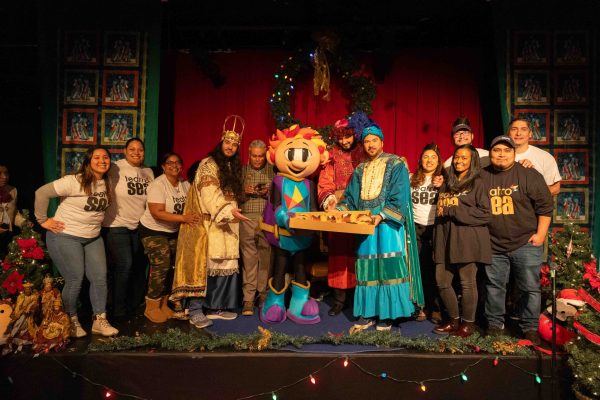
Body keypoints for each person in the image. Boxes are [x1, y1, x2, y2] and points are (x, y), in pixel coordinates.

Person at [337, 123, 424, 332]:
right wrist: (339, 209)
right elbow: (350, 198)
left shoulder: (396, 164)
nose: (370, 145)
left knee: (388, 266)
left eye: (374, 140)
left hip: (387, 225)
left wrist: (382, 215)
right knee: (367, 267)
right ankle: (368, 313)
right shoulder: (360, 169)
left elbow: (400, 194)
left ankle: (388, 314)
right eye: (367, 141)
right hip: (365, 225)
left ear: (382, 142)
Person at [171, 115, 249, 329]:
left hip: (227, 223)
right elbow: (210, 194)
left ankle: (215, 307)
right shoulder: (208, 164)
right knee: (203, 267)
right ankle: (195, 310)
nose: (230, 147)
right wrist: (228, 211)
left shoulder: (231, 167)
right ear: (221, 142)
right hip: (208, 225)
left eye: (235, 144)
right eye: (227, 142)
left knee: (223, 265)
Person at [34, 146, 118, 337]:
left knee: (99, 278)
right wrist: (42, 220)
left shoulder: (108, 181)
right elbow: (41, 193)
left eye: (106, 157)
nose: (102, 161)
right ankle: (70, 320)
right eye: (97, 157)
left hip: (93, 236)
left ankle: (99, 320)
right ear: (88, 161)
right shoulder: (74, 180)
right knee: (75, 279)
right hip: (66, 235)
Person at [481, 136, 553, 345]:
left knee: (529, 287)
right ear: (490, 153)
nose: (501, 154)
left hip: (525, 243)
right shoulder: (481, 176)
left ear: (514, 153)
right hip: (493, 244)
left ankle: (529, 327)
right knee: (494, 286)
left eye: (507, 150)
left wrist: (540, 235)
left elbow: (545, 207)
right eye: (497, 150)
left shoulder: (529, 174)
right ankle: (495, 325)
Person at [260, 125, 329, 325]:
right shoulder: (278, 181)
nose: (297, 162)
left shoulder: (309, 184)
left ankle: (299, 301)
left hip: (302, 236)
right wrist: (286, 218)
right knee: (279, 267)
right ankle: (274, 301)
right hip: (283, 236)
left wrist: (314, 222)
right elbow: (276, 206)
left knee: (300, 266)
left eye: (304, 155)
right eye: (292, 154)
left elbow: (313, 208)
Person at [432, 144, 491, 337]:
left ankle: (468, 324)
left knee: (467, 283)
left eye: (464, 158)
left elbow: (486, 214)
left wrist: (453, 210)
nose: (458, 161)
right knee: (442, 281)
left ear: (472, 161)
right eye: (457, 156)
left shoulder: (478, 183)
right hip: (444, 237)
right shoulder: (447, 181)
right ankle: (453, 320)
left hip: (467, 239)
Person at [317, 114, 367, 316]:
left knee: (360, 253)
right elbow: (325, 182)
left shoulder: (365, 152)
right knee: (339, 255)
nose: (345, 141)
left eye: (348, 137)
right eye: (341, 138)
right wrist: (331, 199)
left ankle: (360, 299)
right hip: (338, 212)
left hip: (361, 211)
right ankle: (339, 299)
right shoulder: (331, 156)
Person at [139, 152, 198, 323]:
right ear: (163, 167)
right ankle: (151, 306)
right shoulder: (158, 185)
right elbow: (157, 213)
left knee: (172, 267)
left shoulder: (184, 184)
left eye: (177, 162)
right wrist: (184, 218)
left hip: (172, 231)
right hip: (153, 230)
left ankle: (164, 303)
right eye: (170, 163)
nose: (174, 165)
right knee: (161, 265)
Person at [102, 138, 154, 319]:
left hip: (140, 226)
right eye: (132, 149)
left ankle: (135, 305)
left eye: (140, 149)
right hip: (117, 225)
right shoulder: (114, 167)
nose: (136, 152)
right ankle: (118, 309)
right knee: (125, 264)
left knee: (139, 266)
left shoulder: (148, 172)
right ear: (124, 151)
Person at [239, 140, 274, 316]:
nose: (258, 159)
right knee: (249, 260)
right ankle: (248, 299)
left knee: (265, 260)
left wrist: (269, 192)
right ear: (249, 154)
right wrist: (244, 191)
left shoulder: (272, 171)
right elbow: (230, 197)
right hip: (246, 219)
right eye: (254, 156)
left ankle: (263, 295)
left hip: (266, 220)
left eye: (261, 156)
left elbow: (281, 196)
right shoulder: (241, 171)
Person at [410, 143, 443, 324]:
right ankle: (420, 306)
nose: (429, 160)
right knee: (419, 270)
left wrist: (443, 185)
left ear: (438, 161)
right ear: (420, 160)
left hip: (436, 228)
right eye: (425, 157)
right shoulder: (411, 179)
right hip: (416, 228)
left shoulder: (443, 178)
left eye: (433, 157)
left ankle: (436, 308)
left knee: (436, 270)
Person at [507, 118, 561, 195]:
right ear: (508, 133)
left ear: (530, 134)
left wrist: (529, 197)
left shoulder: (544, 157)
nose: (518, 133)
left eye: (524, 129)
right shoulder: (498, 156)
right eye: (514, 129)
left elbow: (555, 188)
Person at [0, 164, 25, 259]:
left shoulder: (12, 190)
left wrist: (23, 222)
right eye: (0, 173)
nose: (4, 177)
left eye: (6, 173)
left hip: (7, 235)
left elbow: (14, 212)